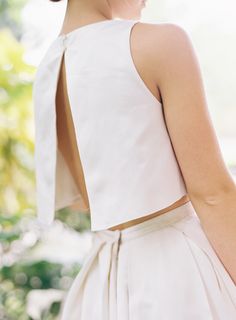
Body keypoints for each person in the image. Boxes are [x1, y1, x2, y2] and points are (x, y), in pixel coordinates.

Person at [32, 0, 236, 318]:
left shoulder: (48, 70)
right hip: (179, 276)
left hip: (100, 288)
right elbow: (212, 194)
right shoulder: (160, 44)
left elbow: (86, 200)